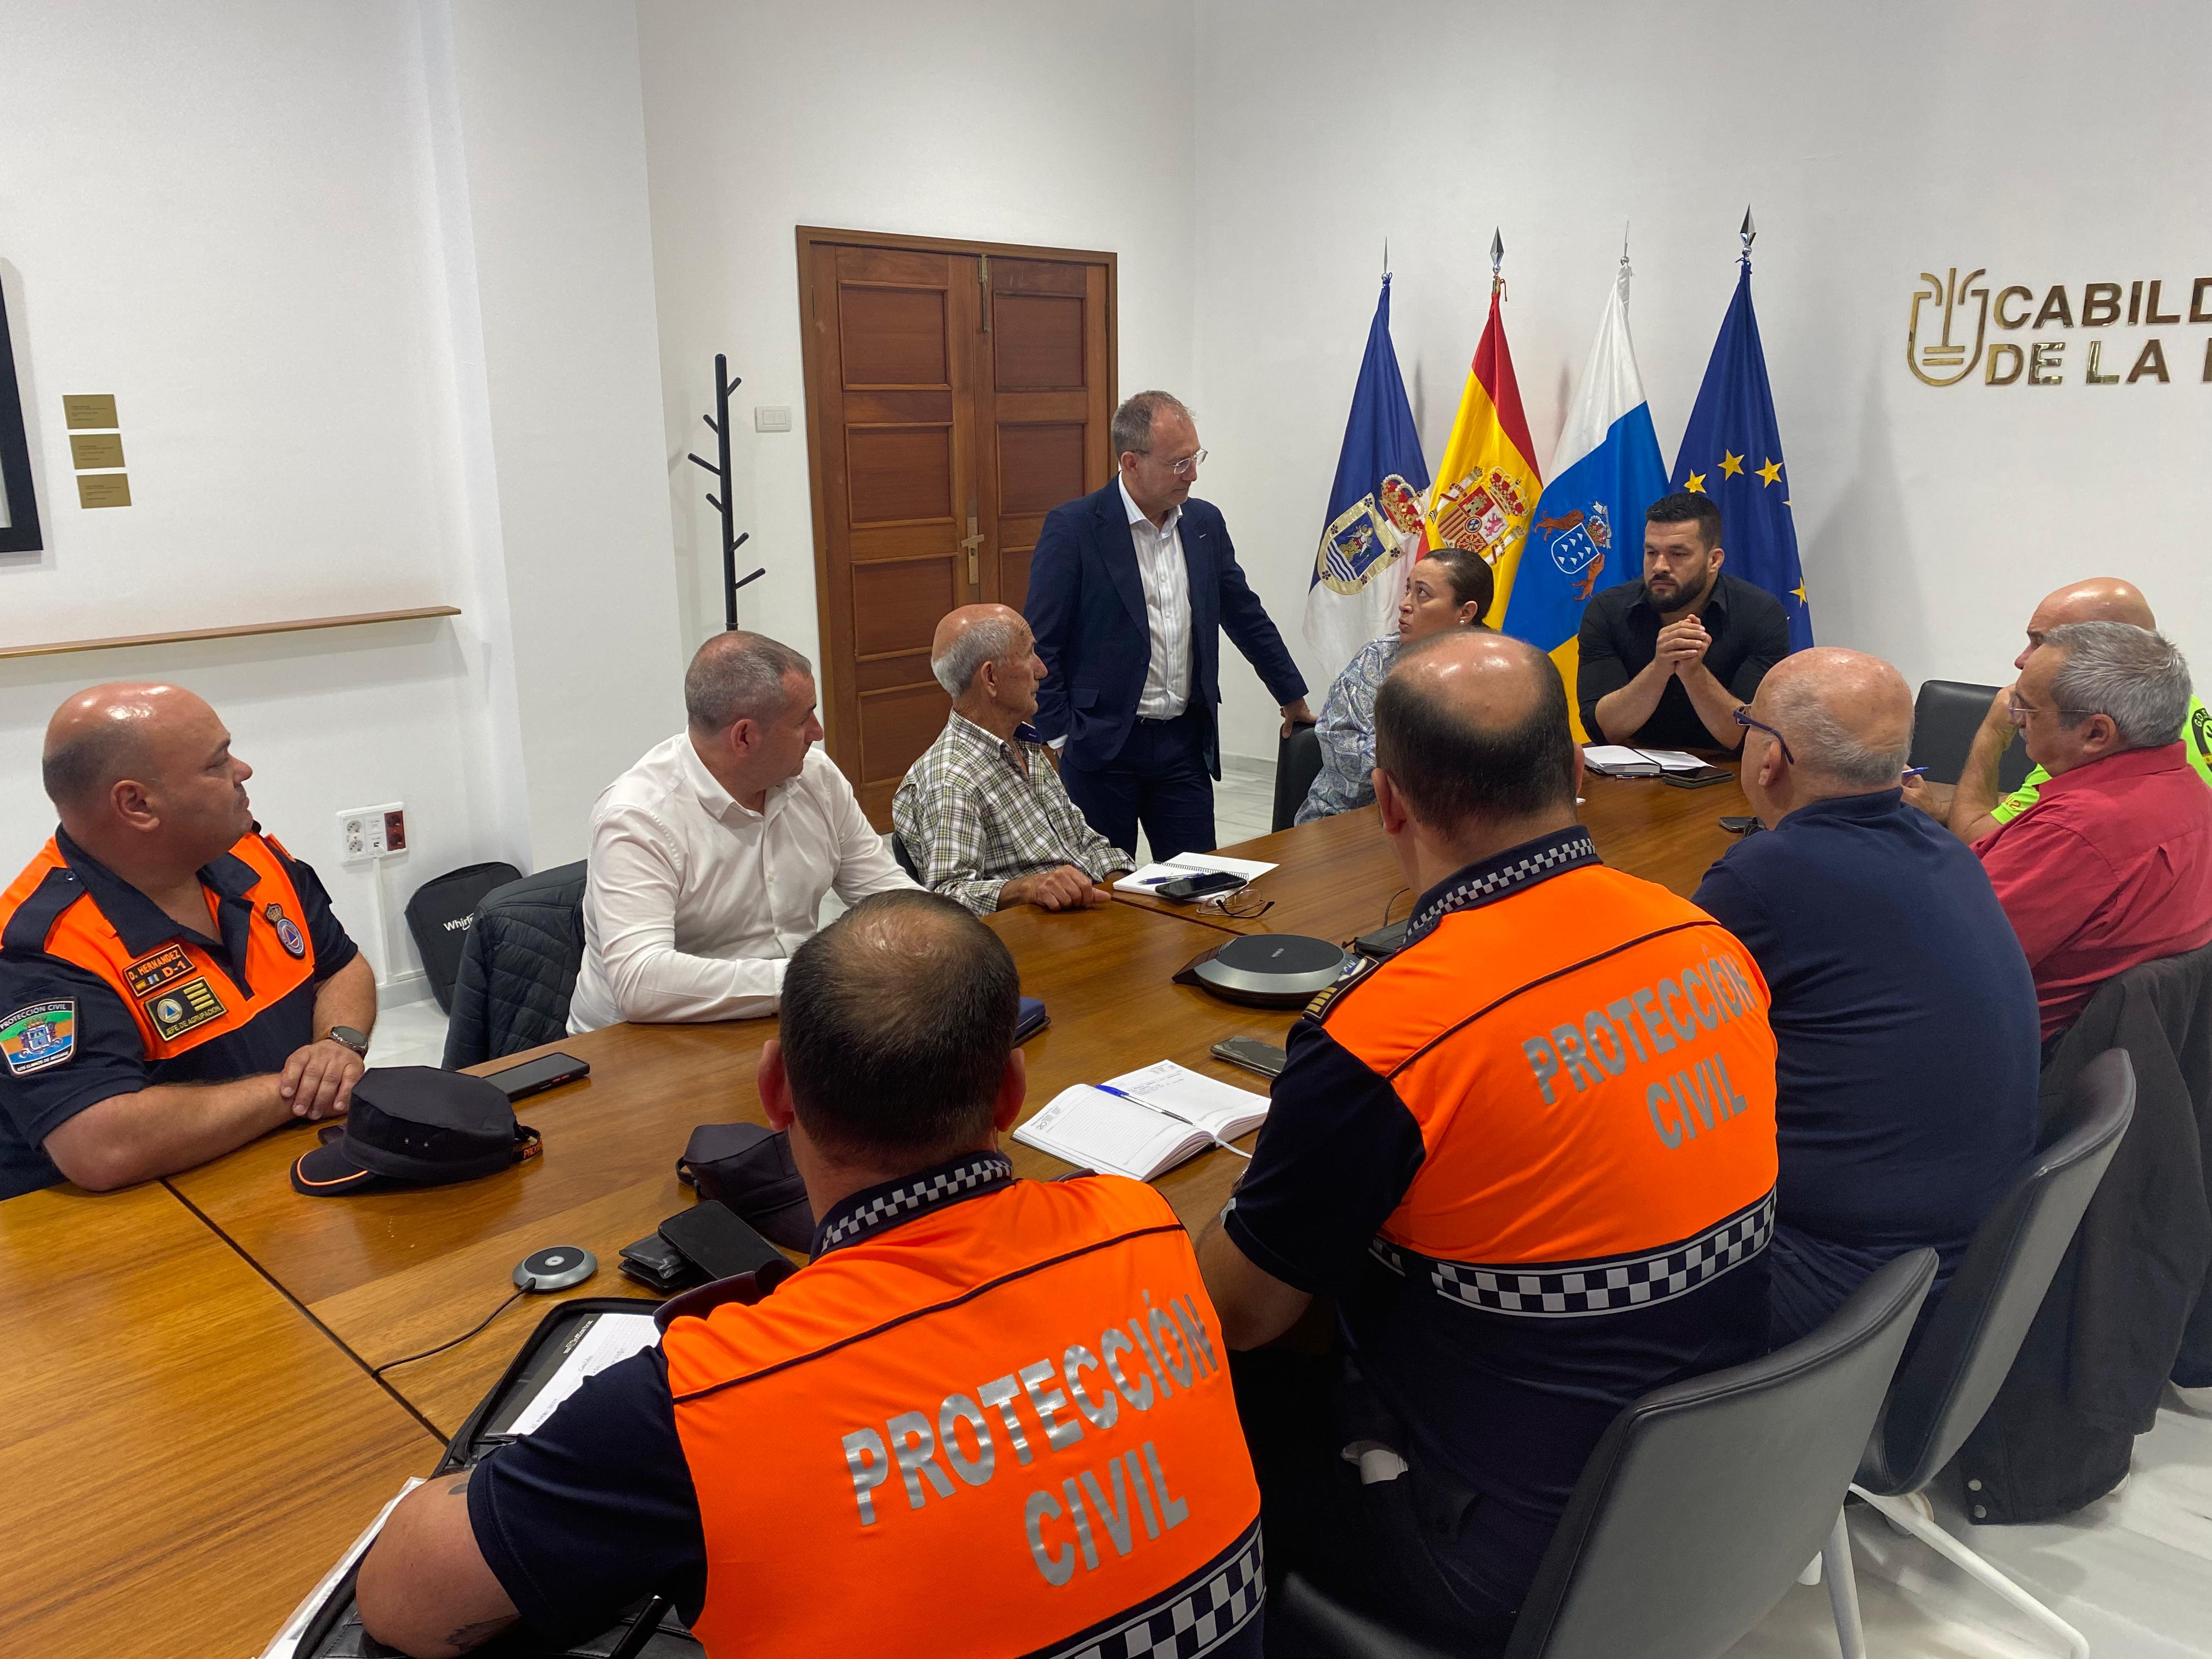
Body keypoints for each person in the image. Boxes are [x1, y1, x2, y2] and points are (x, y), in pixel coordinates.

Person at [358, 890, 1265, 1658]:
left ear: (774, 1087)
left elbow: (402, 1596)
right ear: (1010, 1091)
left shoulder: (706, 1400)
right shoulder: (1140, 1223)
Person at [1196, 631, 1778, 1640]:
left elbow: (1238, 1310)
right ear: (1573, 769)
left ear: (1386, 802)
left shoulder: (1388, 1031)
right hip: (1719, 1483)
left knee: (1210, 1424)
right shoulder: (1708, 940)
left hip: (1498, 1536)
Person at [1691, 650, 2038, 1346]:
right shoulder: (1940, 847)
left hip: (1843, 1281)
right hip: (1964, 1258)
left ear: (1771, 761)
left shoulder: (1766, 876)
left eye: (1749, 724)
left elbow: (1651, 1023)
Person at [0, 683, 374, 1198]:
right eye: (217, 764)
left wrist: (339, 1045)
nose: (243, 771)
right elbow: (100, 1146)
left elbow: (341, 966)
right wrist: (297, 1092)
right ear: (137, 804)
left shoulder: (251, 857)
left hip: (277, 1172)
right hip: (136, 1227)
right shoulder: (41, 948)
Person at [567, 631, 913, 1032]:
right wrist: (814, 979)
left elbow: (889, 896)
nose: (817, 733)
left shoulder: (816, 779)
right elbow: (642, 981)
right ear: (745, 736)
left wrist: (949, 941)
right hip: (635, 1047)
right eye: (804, 719)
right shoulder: (639, 816)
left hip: (775, 1018)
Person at [1025, 390, 1312, 862]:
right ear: (1131, 463)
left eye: (1196, 457)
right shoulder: (1075, 529)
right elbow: (1042, 644)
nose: (1193, 474)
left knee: (1201, 885)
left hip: (1183, 741)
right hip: (1101, 747)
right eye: (1179, 463)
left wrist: (1291, 696)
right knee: (1106, 897)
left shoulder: (1203, 523)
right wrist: (1060, 737)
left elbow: (1244, 614)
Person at [1974, 621, 2212, 1046]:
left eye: (2025, 708)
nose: (2016, 720)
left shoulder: (2078, 831)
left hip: (2003, 1054)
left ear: (2096, 734)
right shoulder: (2191, 791)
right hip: (2122, 1057)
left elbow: (1944, 957)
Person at [1915, 577, 2212, 845]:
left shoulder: (2090, 734)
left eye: (2043, 644)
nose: (2022, 659)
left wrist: (1992, 734)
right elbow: (2036, 806)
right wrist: (1938, 810)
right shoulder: (2172, 705)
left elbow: (1977, 841)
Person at [892, 604, 1132, 915]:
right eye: (1029, 654)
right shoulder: (952, 780)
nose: (1042, 670)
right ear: (990, 677)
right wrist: (1028, 888)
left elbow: (1084, 843)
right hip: (1036, 943)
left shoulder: (1024, 744)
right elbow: (949, 896)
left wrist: (1131, 890)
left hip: (1087, 917)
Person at [1576, 491, 1790, 751]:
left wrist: (1693, 672)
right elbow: (1602, 731)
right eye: (1651, 552)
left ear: (1714, 560)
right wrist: (1660, 668)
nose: (1659, 567)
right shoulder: (1607, 610)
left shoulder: (1760, 614)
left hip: (1730, 773)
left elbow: (1748, 738)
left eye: (1678, 554)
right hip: (1634, 771)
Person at [1295, 548, 1494, 823]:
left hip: (1459, 824)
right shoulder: (1377, 660)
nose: (1405, 604)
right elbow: (1345, 755)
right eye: (1408, 590)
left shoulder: (1502, 668)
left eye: (1422, 594)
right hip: (1349, 819)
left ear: (1466, 612)